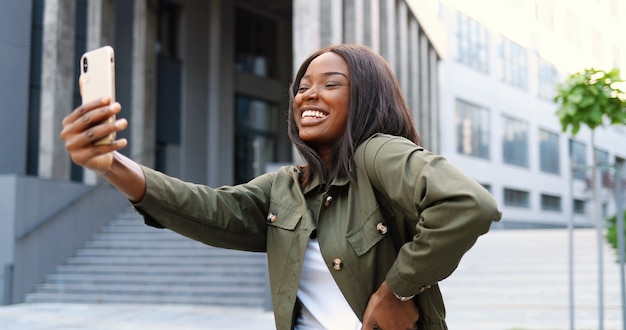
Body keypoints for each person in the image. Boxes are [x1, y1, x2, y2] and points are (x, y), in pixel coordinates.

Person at [61, 44, 501, 330]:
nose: (308, 95)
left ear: (367, 98)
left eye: (331, 84)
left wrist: (397, 289)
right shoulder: (286, 189)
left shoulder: (378, 154)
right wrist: (112, 164)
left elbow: (467, 204)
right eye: (302, 86)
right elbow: (206, 208)